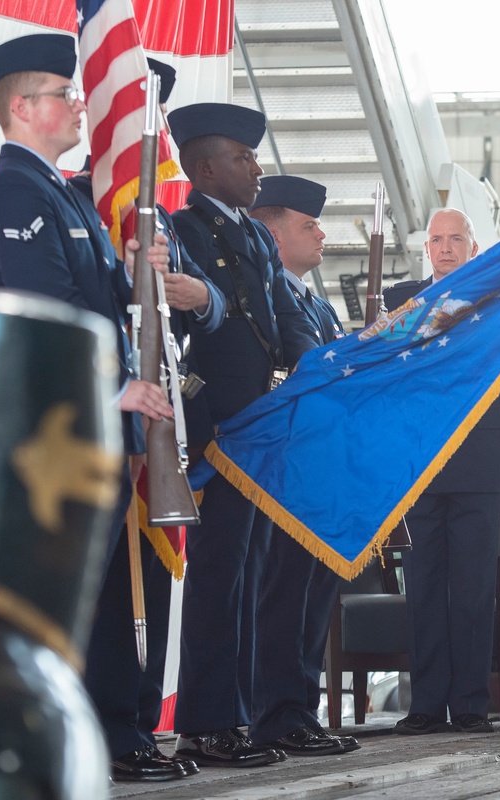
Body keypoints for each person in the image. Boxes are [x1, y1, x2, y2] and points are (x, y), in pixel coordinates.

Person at [0, 34, 196, 783]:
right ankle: (97, 738)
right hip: (55, 425)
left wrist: (143, 274)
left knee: (102, 589)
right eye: (64, 95)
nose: (78, 106)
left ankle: (115, 732)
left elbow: (104, 303)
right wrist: (113, 387)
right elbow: (51, 311)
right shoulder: (12, 192)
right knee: (80, 593)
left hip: (95, 418)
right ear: (24, 108)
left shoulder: (64, 192)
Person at [67, 59, 226, 782]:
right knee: (101, 593)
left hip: (158, 421)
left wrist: (177, 284)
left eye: (150, 113)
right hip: (94, 422)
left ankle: (134, 722)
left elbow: (209, 313)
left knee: (153, 586)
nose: (142, 129)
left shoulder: (160, 218)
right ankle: (106, 727)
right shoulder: (76, 204)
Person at [166, 104, 321, 767]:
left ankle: (249, 717)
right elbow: (181, 326)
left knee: (251, 578)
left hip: (260, 429)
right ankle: (207, 722)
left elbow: (290, 325)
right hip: (215, 431)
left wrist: (330, 363)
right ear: (205, 169)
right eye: (244, 158)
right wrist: (207, 301)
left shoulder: (257, 240)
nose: (257, 170)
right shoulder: (181, 231)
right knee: (219, 577)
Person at [383, 208, 500, 735]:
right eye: (436, 240)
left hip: (481, 461)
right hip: (418, 462)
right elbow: (385, 378)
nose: (445, 248)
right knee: (423, 587)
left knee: (472, 589)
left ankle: (471, 702)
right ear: (425, 248)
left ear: (474, 247)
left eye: (456, 239)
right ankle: (425, 704)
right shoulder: (399, 299)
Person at [243, 174, 358, 755]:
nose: (321, 235)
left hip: (321, 471)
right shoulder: (271, 294)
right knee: (285, 597)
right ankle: (275, 714)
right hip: (287, 471)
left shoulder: (314, 299)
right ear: (272, 232)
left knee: (313, 600)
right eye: (309, 225)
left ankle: (299, 710)